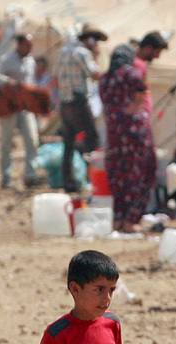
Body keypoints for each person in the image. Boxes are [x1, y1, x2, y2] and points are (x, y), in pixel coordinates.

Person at [99, 45, 156, 233]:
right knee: (140, 172)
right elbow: (140, 93)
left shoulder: (105, 79)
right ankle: (132, 220)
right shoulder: (131, 73)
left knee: (118, 175)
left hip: (114, 134)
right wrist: (133, 110)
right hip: (135, 133)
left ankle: (119, 219)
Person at [54, 24, 106, 193]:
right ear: (89, 40)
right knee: (93, 140)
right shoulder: (82, 53)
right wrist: (96, 56)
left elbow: (55, 78)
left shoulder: (63, 52)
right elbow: (95, 74)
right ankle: (95, 180)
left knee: (68, 144)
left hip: (65, 103)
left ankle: (67, 181)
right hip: (79, 103)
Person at [0, 34, 40, 189]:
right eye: (27, 45)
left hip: (26, 106)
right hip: (10, 106)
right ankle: (6, 177)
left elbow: (32, 82)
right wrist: (8, 81)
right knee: (7, 143)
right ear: (19, 45)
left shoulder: (31, 61)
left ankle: (29, 176)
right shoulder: (7, 59)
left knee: (32, 141)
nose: (29, 48)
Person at [133, 31, 168, 116]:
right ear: (148, 48)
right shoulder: (137, 65)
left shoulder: (140, 64)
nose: (157, 56)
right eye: (157, 52)